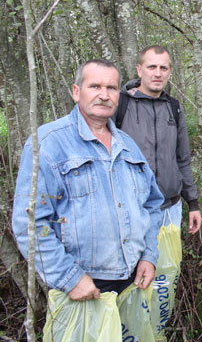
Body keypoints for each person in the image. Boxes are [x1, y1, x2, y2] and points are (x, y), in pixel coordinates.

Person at [12, 59, 163, 303]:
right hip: (83, 287)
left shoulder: (128, 146)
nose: (104, 95)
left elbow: (152, 206)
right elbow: (28, 222)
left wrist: (149, 256)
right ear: (76, 92)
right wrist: (69, 277)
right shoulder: (48, 144)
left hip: (132, 281)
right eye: (95, 86)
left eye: (111, 88)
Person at [114, 45, 201, 335]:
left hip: (171, 207)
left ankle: (155, 331)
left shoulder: (173, 107)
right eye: (151, 67)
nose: (157, 73)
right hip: (132, 212)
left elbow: (183, 159)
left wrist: (193, 202)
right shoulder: (120, 105)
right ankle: (128, 334)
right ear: (139, 69)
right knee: (132, 277)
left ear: (170, 72)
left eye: (163, 68)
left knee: (165, 274)